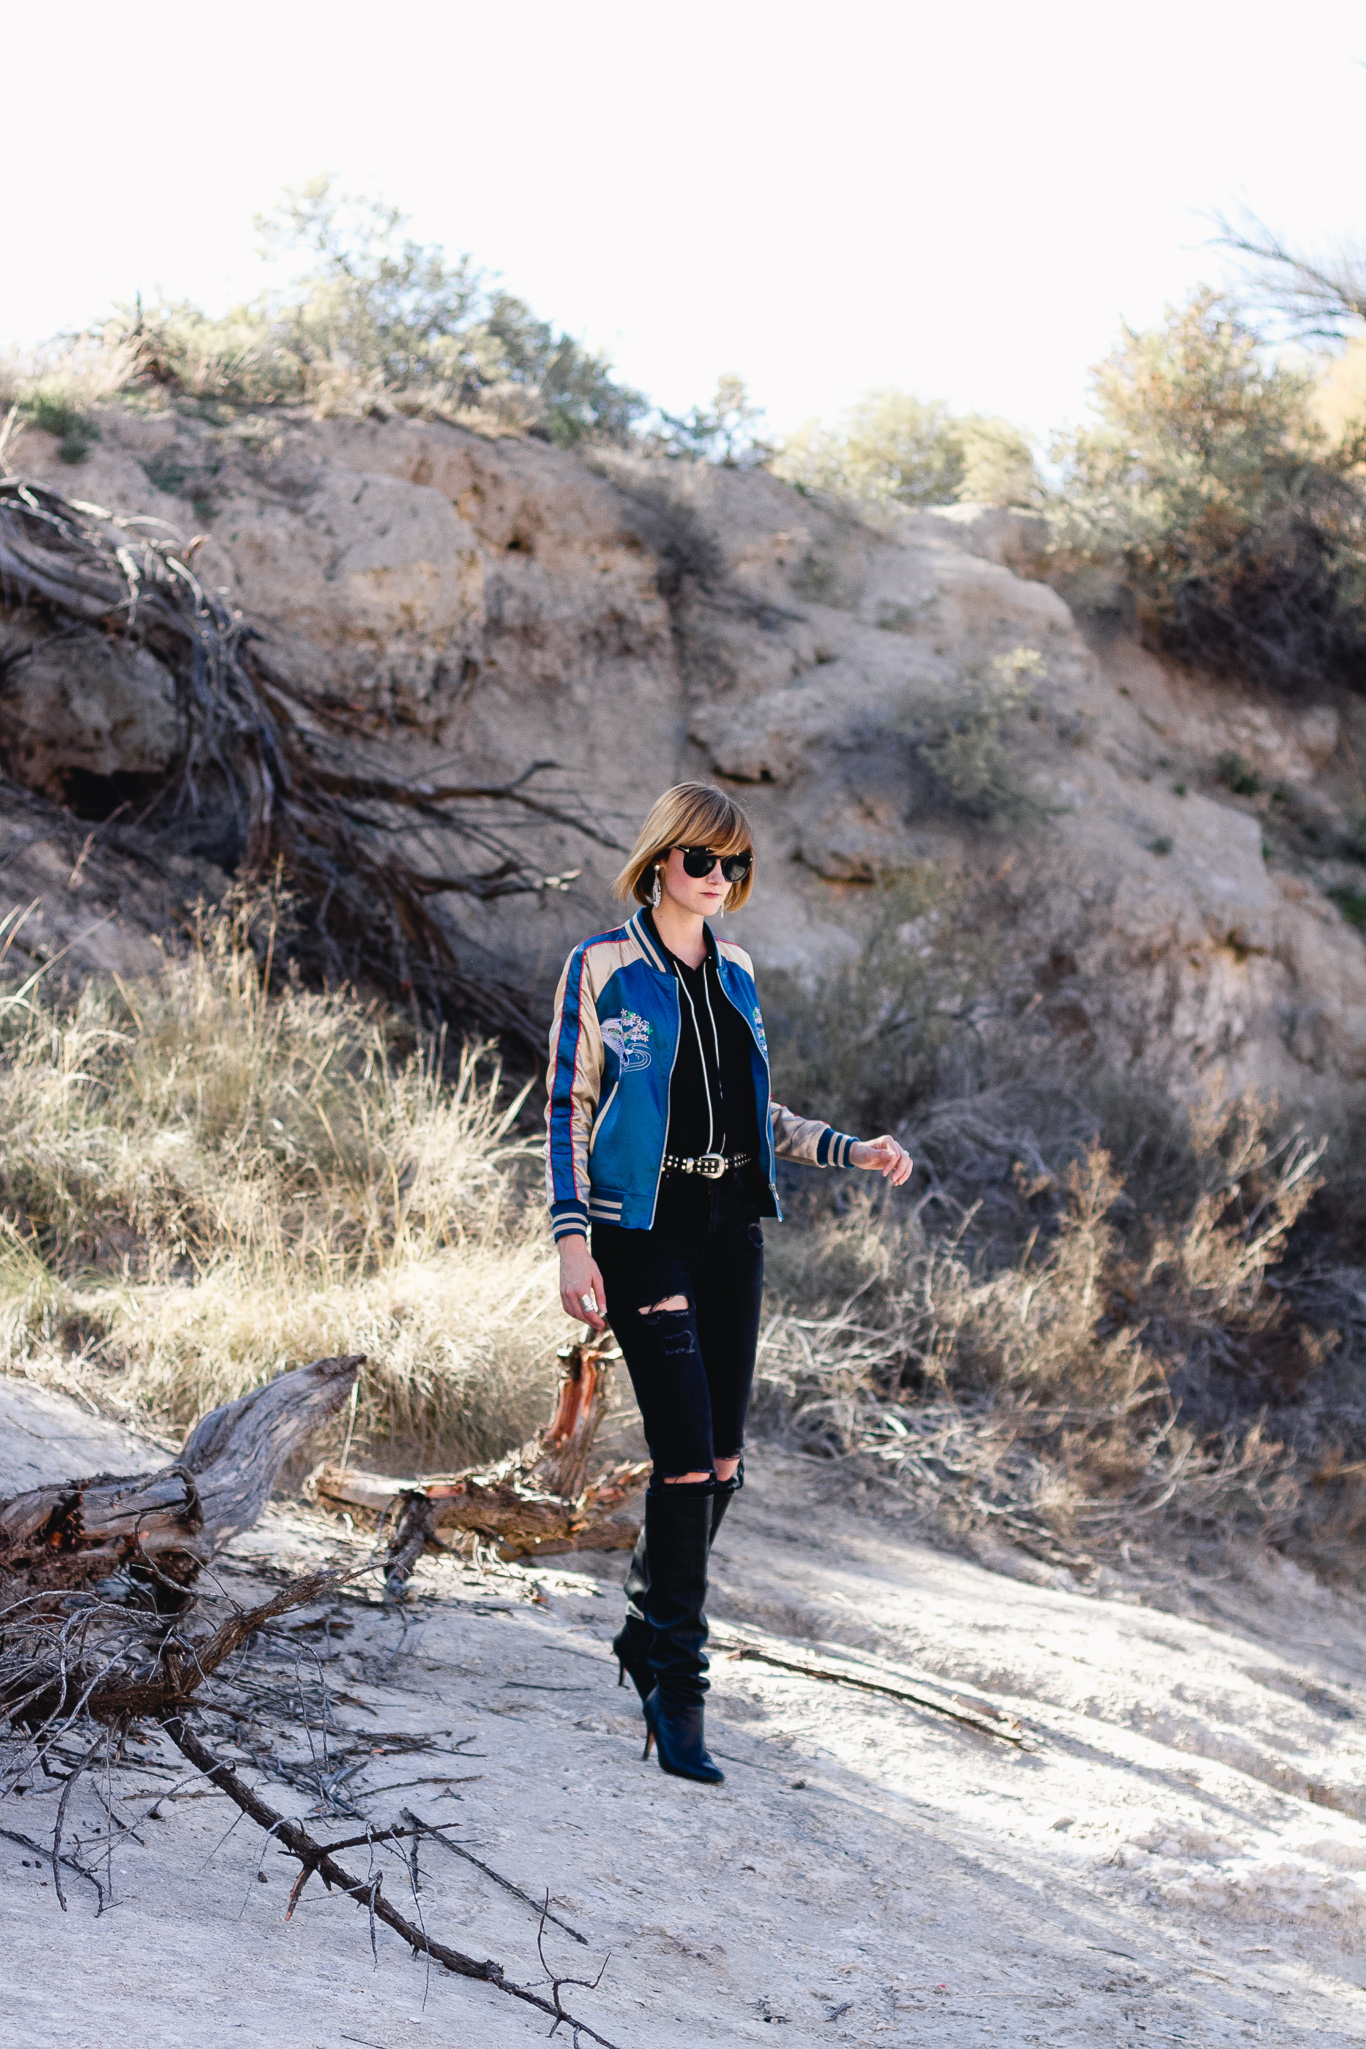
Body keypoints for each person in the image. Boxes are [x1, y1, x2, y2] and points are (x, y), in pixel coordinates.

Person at [546, 783, 912, 1784]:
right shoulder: (604, 968)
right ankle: (677, 1685)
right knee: (682, 1463)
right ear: (661, 858)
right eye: (702, 860)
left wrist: (850, 1149)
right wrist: (572, 1241)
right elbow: (568, 1109)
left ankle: (641, 1622)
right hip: (639, 1229)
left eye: (733, 866)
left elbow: (758, 1109)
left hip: (727, 1228)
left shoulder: (738, 971)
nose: (717, 881)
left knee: (724, 1464)